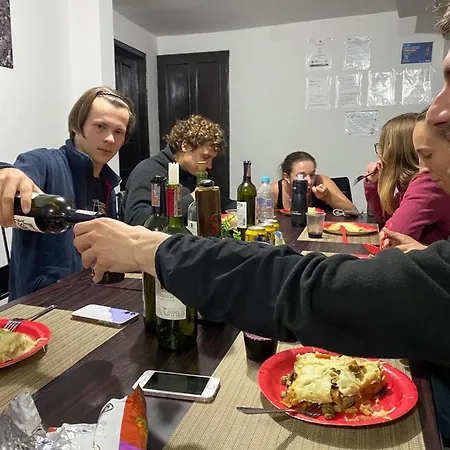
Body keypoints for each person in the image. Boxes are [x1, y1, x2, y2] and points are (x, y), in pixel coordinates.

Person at [72, 4, 450, 361]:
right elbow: (143, 222)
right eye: (100, 127)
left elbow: (323, 287)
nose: (434, 110)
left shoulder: (188, 177)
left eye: (119, 131)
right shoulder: (151, 173)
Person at [0, 86, 134, 300]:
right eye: (100, 126)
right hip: (42, 306)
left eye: (119, 132)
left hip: (93, 301)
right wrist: (6, 172)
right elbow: (16, 176)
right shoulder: (44, 163)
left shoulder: (108, 183)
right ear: (76, 126)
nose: (110, 138)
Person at [123, 114, 236, 225]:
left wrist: (242, 208)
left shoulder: (192, 171)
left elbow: (221, 203)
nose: (209, 165)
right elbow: (137, 218)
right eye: (205, 157)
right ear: (185, 146)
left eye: (212, 159)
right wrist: (192, 199)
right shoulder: (148, 171)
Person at [364, 110, 450, 245]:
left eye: (383, 147)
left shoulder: (427, 182)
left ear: (397, 152)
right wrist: (374, 184)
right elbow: (383, 217)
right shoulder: (408, 185)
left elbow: (393, 235)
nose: (380, 154)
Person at [272, 151, 356, 212]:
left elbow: (353, 210)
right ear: (287, 177)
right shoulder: (275, 191)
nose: (309, 181)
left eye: (312, 175)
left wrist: (328, 196)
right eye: (301, 176)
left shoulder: (321, 181)